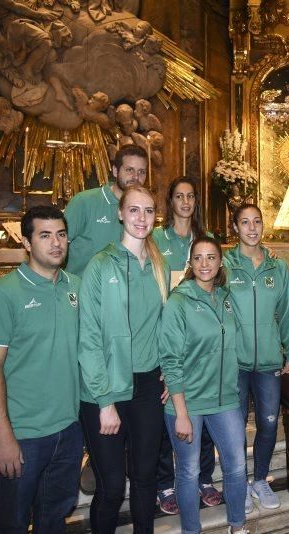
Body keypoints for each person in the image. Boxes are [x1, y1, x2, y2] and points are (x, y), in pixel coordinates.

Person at [0, 206, 82, 533]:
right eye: (45, 235)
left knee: (54, 518)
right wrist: (3, 436)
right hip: (22, 435)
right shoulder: (3, 294)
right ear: (26, 242)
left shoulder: (74, 286)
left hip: (68, 429)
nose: (56, 243)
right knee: (13, 523)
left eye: (61, 235)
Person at [78, 185, 170, 533]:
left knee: (146, 479)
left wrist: (168, 373)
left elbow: (165, 325)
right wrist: (104, 402)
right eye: (134, 210)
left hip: (148, 385)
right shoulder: (100, 266)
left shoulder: (159, 265)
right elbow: (88, 339)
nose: (141, 218)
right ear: (120, 213)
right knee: (113, 487)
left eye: (148, 211)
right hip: (106, 388)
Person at [159, 236, 250, 534]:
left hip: (224, 399)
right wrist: (181, 412)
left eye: (211, 257)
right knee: (189, 471)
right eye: (198, 258)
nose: (204, 264)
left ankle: (237, 526)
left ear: (220, 262)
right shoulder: (179, 302)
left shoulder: (225, 298)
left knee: (236, 466)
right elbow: (170, 359)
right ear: (190, 263)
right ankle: (191, 530)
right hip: (188, 402)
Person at [151, 176, 220, 513]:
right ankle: (165, 484)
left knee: (203, 413)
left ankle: (204, 476)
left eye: (191, 196)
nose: (185, 202)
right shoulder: (155, 240)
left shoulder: (205, 241)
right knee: (170, 413)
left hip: (202, 344)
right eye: (179, 196)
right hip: (169, 337)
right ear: (171, 201)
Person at [225, 203, 289, 512]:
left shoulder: (277, 267)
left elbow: (286, 313)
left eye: (257, 222)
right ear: (235, 228)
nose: (252, 228)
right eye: (245, 222)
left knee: (269, 423)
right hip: (235, 363)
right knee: (235, 425)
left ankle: (260, 480)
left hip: (269, 362)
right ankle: (239, 483)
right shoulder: (225, 265)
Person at [64, 144, 148, 276]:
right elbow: (56, 247)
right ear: (115, 171)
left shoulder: (144, 210)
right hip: (81, 290)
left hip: (122, 292)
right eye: (129, 170)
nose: (136, 177)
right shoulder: (84, 202)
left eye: (141, 172)